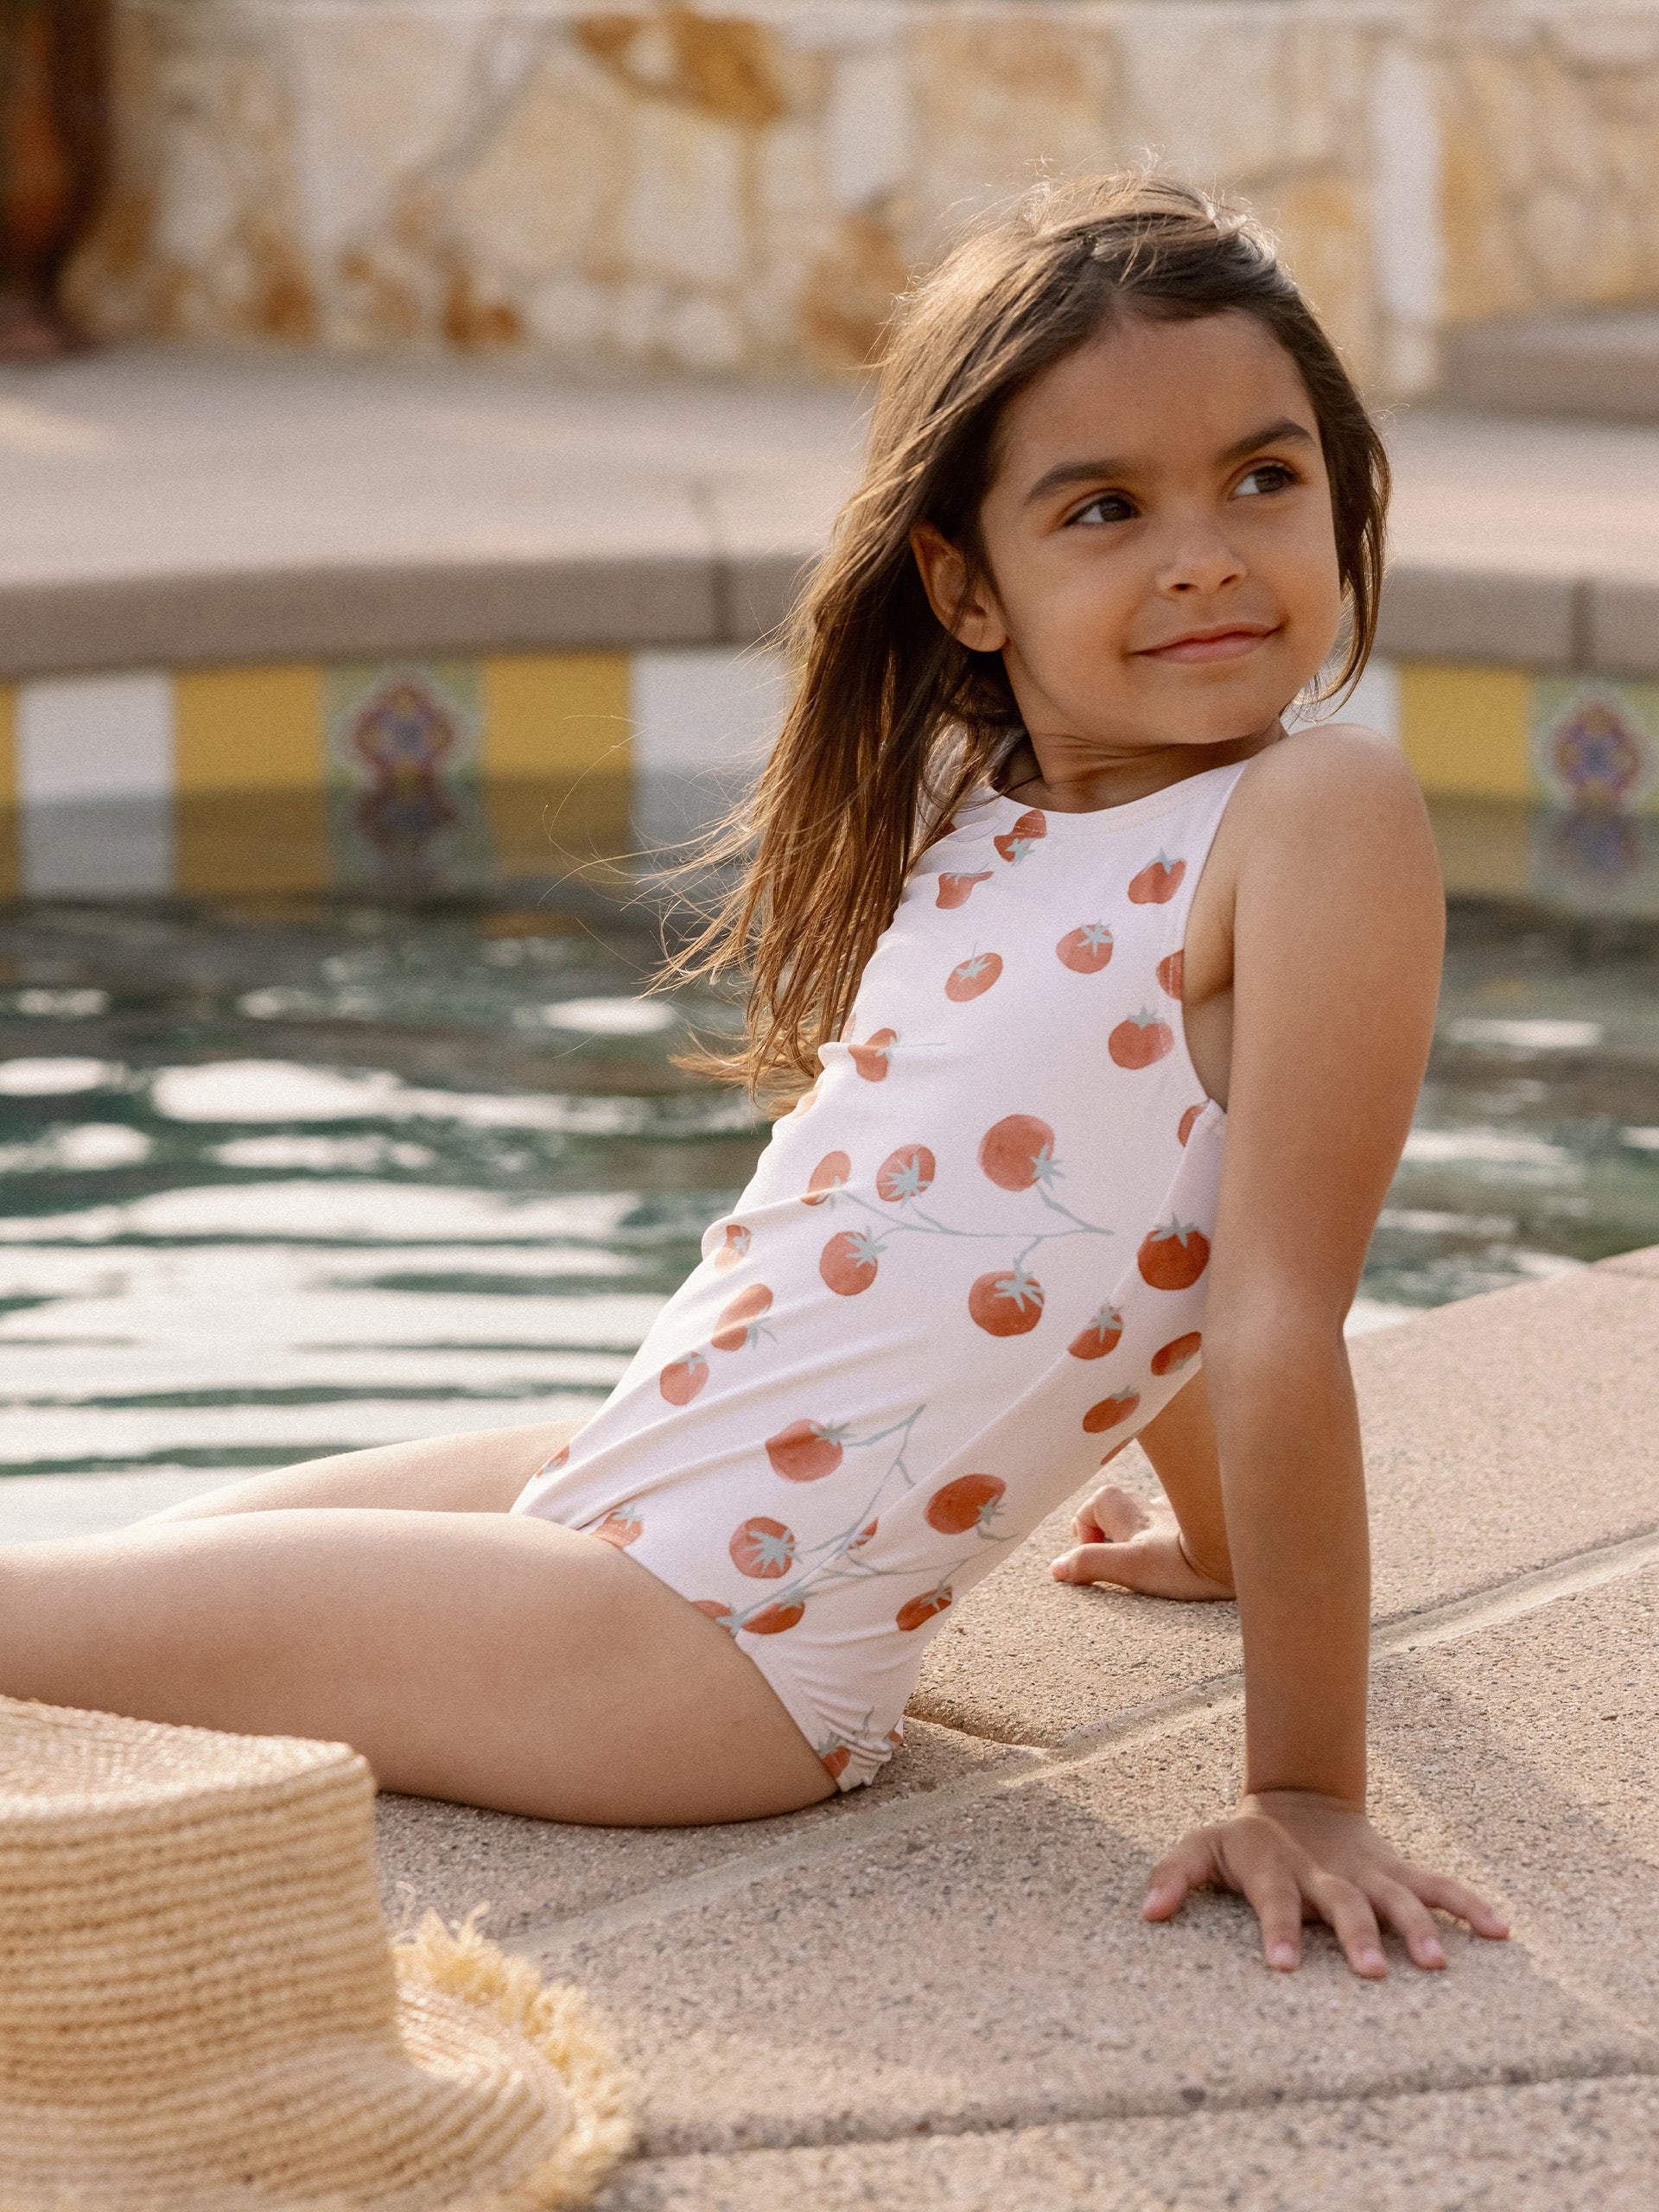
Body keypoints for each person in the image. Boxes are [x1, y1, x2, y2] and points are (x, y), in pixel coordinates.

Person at [0, 174, 1509, 1980]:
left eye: (1264, 476)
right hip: (625, 1494)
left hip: (705, 1649)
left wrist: (1310, 1786)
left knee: (42, 1624)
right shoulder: (985, 815)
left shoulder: (1319, 814)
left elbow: (1271, 1303)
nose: (1204, 551)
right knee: (126, 1585)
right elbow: (1120, 1211)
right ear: (963, 584)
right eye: (1105, 506)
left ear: (1343, 492)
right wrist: (1207, 1524)